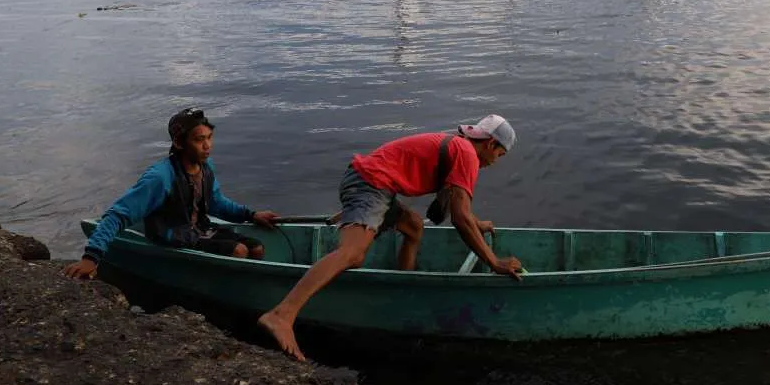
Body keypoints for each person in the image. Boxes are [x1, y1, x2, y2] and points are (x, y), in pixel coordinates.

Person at [257, 115, 521, 360]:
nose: (495, 160)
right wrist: (494, 262)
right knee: (353, 254)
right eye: (499, 153)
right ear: (490, 143)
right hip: (370, 184)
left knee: (414, 227)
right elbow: (460, 219)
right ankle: (282, 314)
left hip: (375, 186)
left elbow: (461, 210)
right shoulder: (468, 155)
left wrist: (479, 224)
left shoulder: (459, 148)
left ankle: (401, 289)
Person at [63, 108, 280, 279]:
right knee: (240, 251)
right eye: (198, 139)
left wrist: (251, 215)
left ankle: (234, 282)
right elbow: (118, 215)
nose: (207, 146)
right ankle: (227, 289)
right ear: (178, 143)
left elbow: (216, 203)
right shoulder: (160, 177)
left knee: (257, 248)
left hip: (200, 229)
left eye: (209, 137)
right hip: (171, 234)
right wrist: (91, 257)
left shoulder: (205, 166)